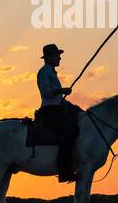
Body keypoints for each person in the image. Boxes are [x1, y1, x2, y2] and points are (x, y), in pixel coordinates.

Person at [35, 43, 82, 182]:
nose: (59, 59)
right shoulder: (43, 72)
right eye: (57, 56)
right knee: (67, 134)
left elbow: (57, 97)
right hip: (50, 110)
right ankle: (64, 171)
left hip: (58, 107)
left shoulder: (50, 72)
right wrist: (62, 91)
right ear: (49, 57)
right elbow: (46, 92)